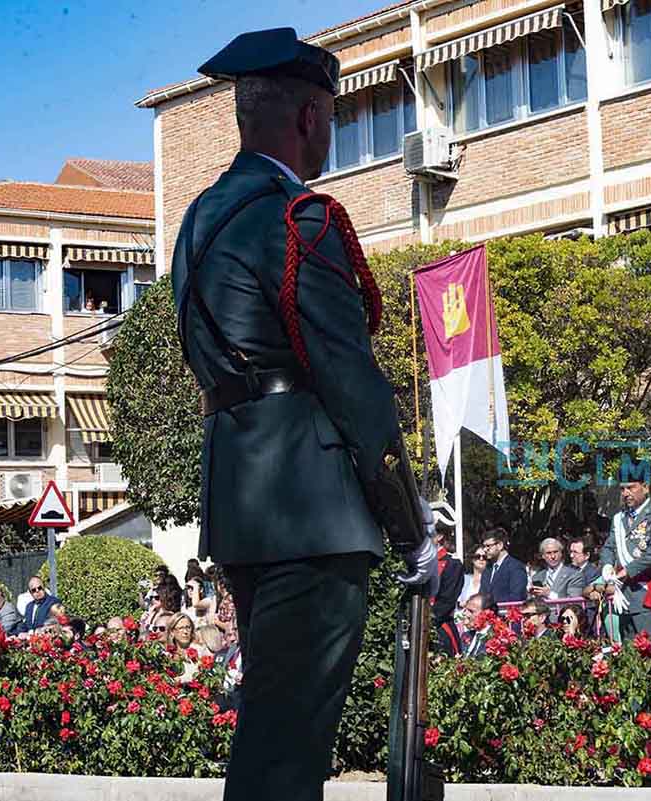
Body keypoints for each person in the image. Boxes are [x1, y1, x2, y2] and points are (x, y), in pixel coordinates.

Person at [172, 28, 438, 801]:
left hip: (241, 499)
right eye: (332, 118)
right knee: (288, 750)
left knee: (272, 732)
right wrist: (410, 524)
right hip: (313, 509)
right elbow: (354, 385)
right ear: (310, 117)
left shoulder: (199, 220)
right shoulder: (299, 218)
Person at [598, 478, 651, 638]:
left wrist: (626, 571)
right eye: (622, 489)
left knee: (648, 651)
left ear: (645, 488)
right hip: (623, 595)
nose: (626, 493)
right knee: (628, 654)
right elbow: (609, 547)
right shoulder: (619, 518)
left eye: (631, 488)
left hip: (646, 594)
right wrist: (606, 566)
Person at [432, 526, 465, 656]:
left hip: (439, 625)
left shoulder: (452, 565)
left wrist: (428, 620)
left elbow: (447, 600)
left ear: (439, 536)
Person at [481, 528, 528, 603]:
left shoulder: (515, 567)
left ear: (500, 545)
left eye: (488, 546)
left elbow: (517, 596)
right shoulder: (487, 569)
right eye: (484, 546)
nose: (485, 550)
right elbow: (482, 594)